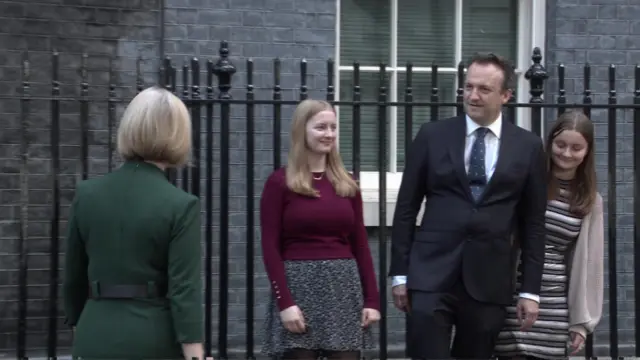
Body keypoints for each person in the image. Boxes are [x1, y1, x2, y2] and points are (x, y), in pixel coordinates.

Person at [388, 52, 547, 359]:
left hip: (489, 279)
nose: (472, 96)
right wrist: (400, 273)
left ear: (506, 95)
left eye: (484, 89)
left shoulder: (528, 146)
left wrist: (530, 290)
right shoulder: (432, 136)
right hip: (430, 274)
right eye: (468, 87)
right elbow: (407, 207)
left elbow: (533, 224)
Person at [62, 86, 208, 360]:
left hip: (95, 331)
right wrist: (195, 355)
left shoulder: (87, 194)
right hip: (152, 338)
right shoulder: (180, 204)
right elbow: (184, 291)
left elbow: (73, 277)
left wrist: (80, 327)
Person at [260, 99, 381, 360]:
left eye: (333, 127)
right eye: (320, 127)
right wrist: (285, 303)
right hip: (298, 288)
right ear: (302, 130)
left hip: (342, 288)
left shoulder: (346, 182)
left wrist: (372, 299)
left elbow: (360, 244)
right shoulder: (280, 183)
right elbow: (270, 247)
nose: (328, 134)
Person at [494, 110, 604, 360]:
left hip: (554, 305)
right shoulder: (527, 183)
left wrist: (581, 323)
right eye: (561, 144)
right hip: (512, 295)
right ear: (550, 143)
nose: (566, 153)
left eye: (576, 148)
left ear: (587, 152)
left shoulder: (590, 201)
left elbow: (591, 265)